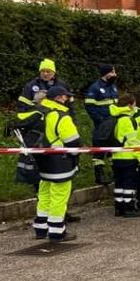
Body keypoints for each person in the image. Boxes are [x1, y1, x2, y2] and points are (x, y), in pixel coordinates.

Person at [34, 85, 81, 242]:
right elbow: (73, 141)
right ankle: (56, 231)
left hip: (42, 159)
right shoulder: (62, 116)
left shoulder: (39, 111)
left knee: (44, 194)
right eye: (65, 97)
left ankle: (40, 228)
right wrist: (75, 156)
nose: (67, 99)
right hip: (60, 161)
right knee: (59, 196)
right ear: (59, 98)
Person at [110, 93, 140, 218]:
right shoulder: (128, 120)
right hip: (128, 157)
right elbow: (133, 141)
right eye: (134, 104)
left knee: (119, 183)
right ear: (130, 105)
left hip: (116, 156)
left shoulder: (115, 118)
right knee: (129, 184)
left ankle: (119, 207)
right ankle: (129, 207)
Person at [84, 64, 118, 185]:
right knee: (99, 150)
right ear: (106, 73)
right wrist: (99, 120)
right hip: (101, 124)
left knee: (112, 150)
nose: (115, 75)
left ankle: (115, 174)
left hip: (113, 123)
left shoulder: (113, 87)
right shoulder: (95, 88)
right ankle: (99, 175)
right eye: (113, 72)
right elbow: (89, 106)